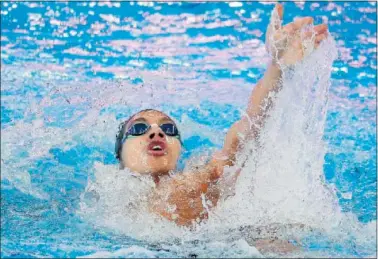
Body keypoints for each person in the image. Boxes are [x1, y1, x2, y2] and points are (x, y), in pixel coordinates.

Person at [114, 4, 329, 227]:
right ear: (120, 153)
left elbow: (246, 130)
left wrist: (277, 66)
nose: (156, 132)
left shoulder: (199, 178)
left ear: (179, 149)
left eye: (168, 129)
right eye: (140, 128)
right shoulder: (99, 200)